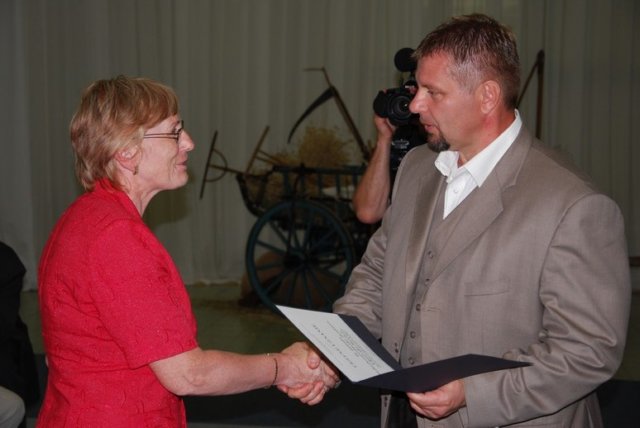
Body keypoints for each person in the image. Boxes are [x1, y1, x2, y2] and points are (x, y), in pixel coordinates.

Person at [334, 13, 630, 427]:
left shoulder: (574, 204)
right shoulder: (417, 166)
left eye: (433, 92)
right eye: (417, 88)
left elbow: (589, 350)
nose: (415, 104)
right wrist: (336, 346)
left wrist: (473, 394)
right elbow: (377, 272)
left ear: (487, 96)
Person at [37, 75, 339, 427]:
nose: (189, 143)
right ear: (126, 151)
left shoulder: (82, 216)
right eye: (174, 132)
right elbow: (189, 375)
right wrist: (285, 367)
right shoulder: (116, 237)